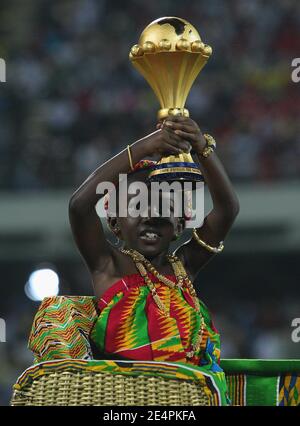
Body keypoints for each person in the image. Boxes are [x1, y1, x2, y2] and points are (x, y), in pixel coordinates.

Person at [69, 115, 239, 404]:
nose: (151, 216)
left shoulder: (183, 267)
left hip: (188, 400)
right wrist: (145, 147)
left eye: (164, 206)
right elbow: (79, 207)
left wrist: (202, 148)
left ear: (179, 225)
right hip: (125, 402)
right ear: (114, 221)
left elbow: (227, 209)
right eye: (136, 206)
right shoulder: (108, 265)